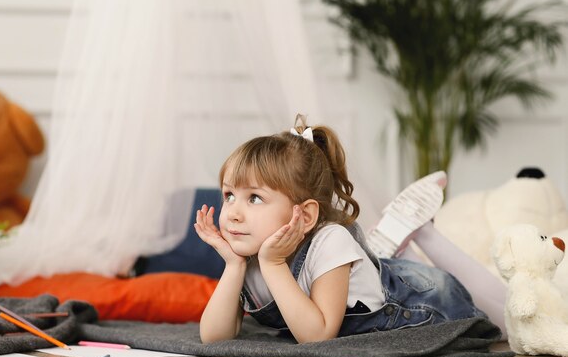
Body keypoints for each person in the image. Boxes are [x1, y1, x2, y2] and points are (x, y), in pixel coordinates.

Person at [194, 115, 492, 344]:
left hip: (425, 302)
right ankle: (386, 252)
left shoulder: (329, 240)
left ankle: (423, 235)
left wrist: (273, 265)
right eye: (229, 195)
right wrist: (233, 266)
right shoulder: (249, 251)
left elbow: (318, 336)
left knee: (504, 322)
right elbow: (214, 337)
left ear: (306, 215)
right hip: (368, 285)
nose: (232, 212)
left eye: (254, 198)